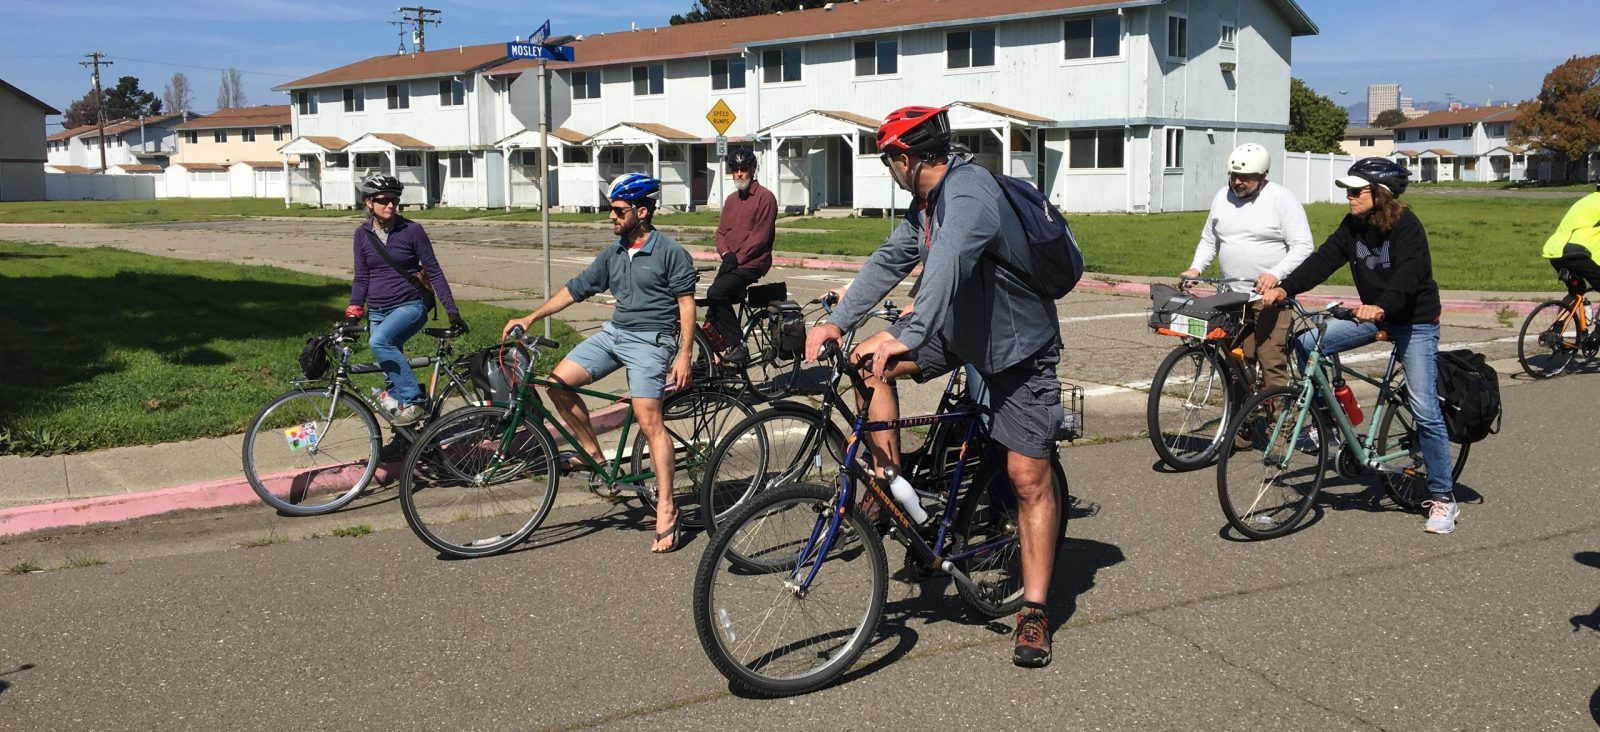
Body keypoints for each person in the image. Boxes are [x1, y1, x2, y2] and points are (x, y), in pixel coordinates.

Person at [802, 106, 1064, 667]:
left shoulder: (967, 195)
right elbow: (891, 259)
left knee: (1027, 477)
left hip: (1019, 348)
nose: (889, 170)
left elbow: (943, 269)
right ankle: (898, 495)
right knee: (868, 366)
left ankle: (1035, 609)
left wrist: (905, 333)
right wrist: (839, 321)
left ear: (905, 157)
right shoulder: (927, 205)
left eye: (887, 160)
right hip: (963, 333)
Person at [1258, 157, 1459, 534]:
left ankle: (1443, 498)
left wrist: (1382, 305)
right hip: (1374, 316)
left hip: (1413, 321)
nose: (1348, 197)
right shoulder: (1352, 226)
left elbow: (1409, 276)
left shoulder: (1406, 227)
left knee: (1424, 406)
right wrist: (1285, 288)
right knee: (1306, 342)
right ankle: (1330, 425)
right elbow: (1322, 261)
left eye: (1355, 191)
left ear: (1379, 194)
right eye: (1347, 191)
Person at [501, 173, 698, 553]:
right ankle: (593, 454)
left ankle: (667, 508)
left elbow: (686, 305)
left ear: (642, 212)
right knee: (558, 383)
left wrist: (684, 354)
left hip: (651, 340)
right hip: (615, 334)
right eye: (611, 209)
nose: (611, 216)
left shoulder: (670, 252)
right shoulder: (614, 253)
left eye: (618, 210)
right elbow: (575, 289)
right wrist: (530, 317)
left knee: (648, 419)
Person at [1181, 142, 1313, 393]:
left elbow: (1303, 245)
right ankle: (1243, 428)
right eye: (1234, 176)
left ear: (1262, 176)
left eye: (1246, 178)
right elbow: (1210, 239)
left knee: (1271, 361)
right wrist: (1195, 267)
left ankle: (1280, 429)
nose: (1238, 182)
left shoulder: (1281, 199)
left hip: (1269, 297)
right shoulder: (1222, 197)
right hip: (1233, 296)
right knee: (1237, 362)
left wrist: (1276, 274)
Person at [345, 172, 467, 428]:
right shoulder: (362, 235)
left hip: (410, 305)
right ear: (369, 202)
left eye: (395, 200)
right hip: (378, 311)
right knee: (392, 377)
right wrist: (353, 313)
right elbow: (362, 277)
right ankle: (408, 440)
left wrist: (452, 311)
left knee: (379, 342)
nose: (390, 204)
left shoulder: (412, 230)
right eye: (384, 199)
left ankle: (417, 401)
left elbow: (433, 270)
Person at [705, 146, 777, 364]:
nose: (739, 174)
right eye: (735, 169)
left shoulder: (765, 198)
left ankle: (738, 345)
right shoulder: (731, 200)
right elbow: (721, 232)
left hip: (752, 264)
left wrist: (738, 257)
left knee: (716, 292)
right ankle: (706, 363)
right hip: (731, 262)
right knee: (711, 315)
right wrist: (726, 253)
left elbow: (761, 237)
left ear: (753, 170)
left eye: (743, 169)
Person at [1540, 182, 1600, 294]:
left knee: (1577, 290)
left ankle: (1567, 310)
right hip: (1580, 253)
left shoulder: (1585, 201)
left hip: (1556, 252)